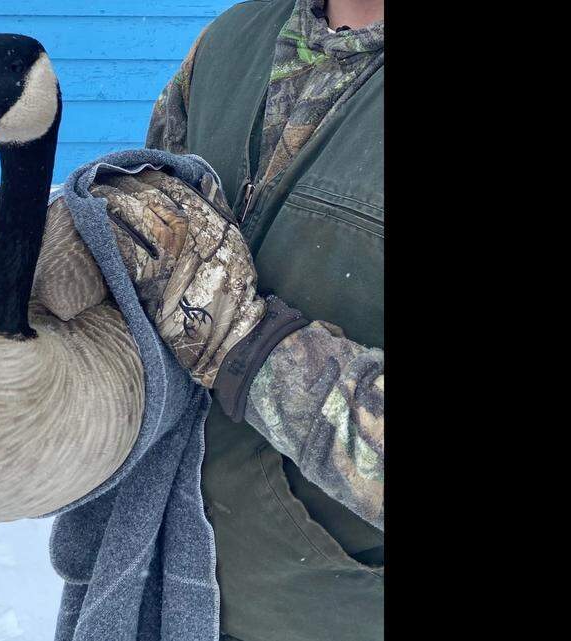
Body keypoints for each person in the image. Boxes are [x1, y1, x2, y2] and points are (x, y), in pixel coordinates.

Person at [142, 1, 384, 639]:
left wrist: (250, 349)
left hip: (334, 609)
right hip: (179, 582)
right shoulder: (232, 40)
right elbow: (162, 217)